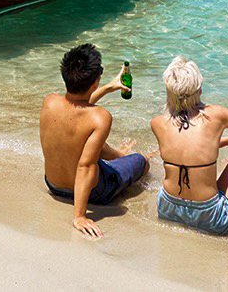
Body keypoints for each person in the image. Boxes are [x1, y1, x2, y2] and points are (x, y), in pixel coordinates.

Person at [40, 43, 149, 238]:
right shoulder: (101, 117)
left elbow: (78, 106)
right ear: (94, 82)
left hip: (53, 184)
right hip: (94, 193)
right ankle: (129, 157)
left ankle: (120, 155)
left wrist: (108, 88)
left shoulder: (50, 102)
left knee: (86, 141)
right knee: (142, 161)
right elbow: (85, 167)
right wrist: (79, 216)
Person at [150, 55, 228, 236]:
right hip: (211, 218)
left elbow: (187, 149)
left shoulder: (157, 123)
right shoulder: (217, 114)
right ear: (199, 90)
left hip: (167, 209)